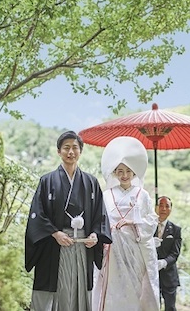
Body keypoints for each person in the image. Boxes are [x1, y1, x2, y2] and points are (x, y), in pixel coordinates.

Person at [25, 130, 112, 311]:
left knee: (78, 287)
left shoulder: (91, 182)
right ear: (59, 151)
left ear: (81, 150)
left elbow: (100, 214)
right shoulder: (47, 181)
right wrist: (55, 233)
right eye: (66, 148)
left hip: (82, 244)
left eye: (75, 148)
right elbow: (37, 213)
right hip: (55, 243)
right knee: (56, 287)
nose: (70, 152)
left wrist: (95, 234)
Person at [92, 136, 160, 311]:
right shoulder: (106, 195)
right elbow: (98, 220)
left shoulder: (142, 194)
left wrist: (133, 222)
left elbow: (152, 220)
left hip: (134, 249)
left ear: (134, 173)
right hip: (113, 249)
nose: (124, 175)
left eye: (128, 171)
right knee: (114, 288)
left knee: (134, 288)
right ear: (114, 172)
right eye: (120, 171)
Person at [155, 196, 182, 311]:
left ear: (171, 209)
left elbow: (175, 254)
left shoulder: (176, 230)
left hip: (169, 276)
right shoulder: (148, 226)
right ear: (156, 208)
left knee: (170, 308)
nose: (163, 209)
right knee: (152, 306)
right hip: (151, 275)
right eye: (161, 205)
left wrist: (163, 263)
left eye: (167, 206)